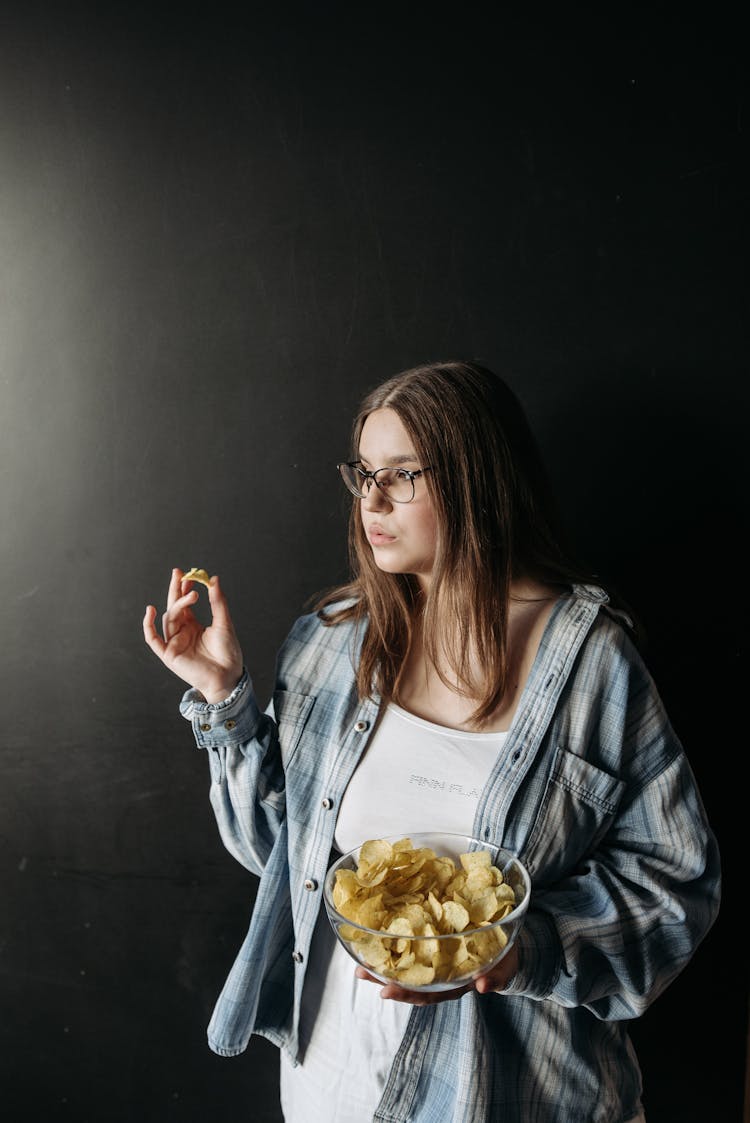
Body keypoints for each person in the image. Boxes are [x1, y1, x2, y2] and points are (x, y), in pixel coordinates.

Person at [143, 359, 720, 1123]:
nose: (371, 501)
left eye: (403, 475)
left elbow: (674, 883)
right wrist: (224, 699)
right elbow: (276, 854)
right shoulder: (331, 639)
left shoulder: (590, 664)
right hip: (331, 1089)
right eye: (363, 473)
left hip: (513, 1099)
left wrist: (522, 949)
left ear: (477, 481)